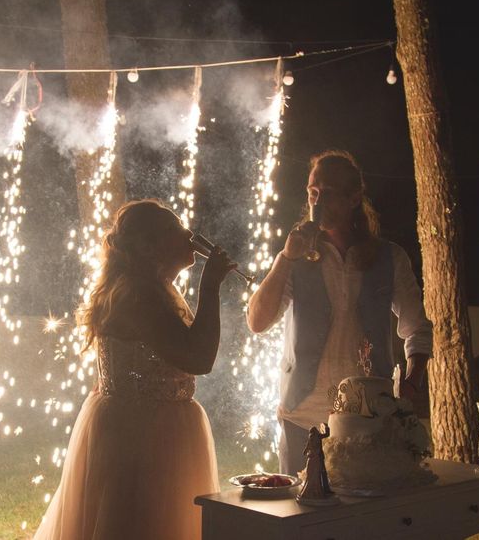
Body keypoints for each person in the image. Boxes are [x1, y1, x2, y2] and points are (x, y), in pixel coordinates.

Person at [34, 200, 236, 540]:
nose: (189, 235)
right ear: (150, 245)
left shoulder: (153, 289)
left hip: (146, 425)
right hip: (142, 436)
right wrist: (211, 286)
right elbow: (199, 359)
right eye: (177, 230)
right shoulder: (138, 296)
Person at [246, 150, 433, 475]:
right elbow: (257, 322)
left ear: (354, 197)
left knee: (361, 516)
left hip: (368, 416)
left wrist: (411, 387)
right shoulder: (296, 258)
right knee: (299, 517)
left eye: (328, 194)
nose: (317, 203)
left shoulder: (389, 257)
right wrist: (285, 259)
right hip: (301, 413)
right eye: (312, 193)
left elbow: (417, 330)